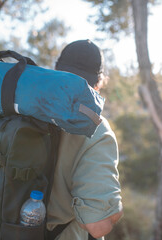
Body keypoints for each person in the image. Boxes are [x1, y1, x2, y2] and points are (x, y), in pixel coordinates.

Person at [46, 40, 123, 240]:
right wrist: (115, 210)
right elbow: (97, 226)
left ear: (56, 70)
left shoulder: (22, 108)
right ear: (98, 83)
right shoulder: (97, 129)